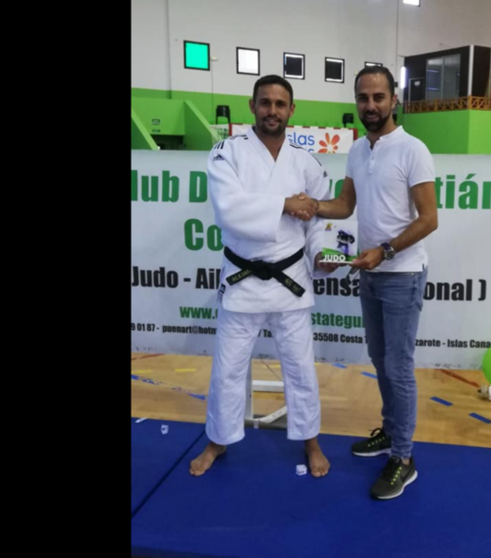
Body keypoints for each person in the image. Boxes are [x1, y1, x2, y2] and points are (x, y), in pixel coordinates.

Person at [297, 66, 438, 499]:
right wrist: (310, 206)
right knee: (380, 360)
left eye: (379, 97)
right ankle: (391, 435)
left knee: (398, 368)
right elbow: (344, 204)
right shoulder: (358, 149)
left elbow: (429, 219)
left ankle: (403, 457)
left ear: (394, 99)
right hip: (370, 273)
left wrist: (386, 251)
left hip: (401, 274)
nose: (371, 106)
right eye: (363, 97)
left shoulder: (413, 149)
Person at [189, 75, 335, 478]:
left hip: (291, 281)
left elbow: (319, 220)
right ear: (252, 106)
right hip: (243, 281)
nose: (273, 110)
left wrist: (321, 254)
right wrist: (286, 203)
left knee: (301, 368)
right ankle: (218, 440)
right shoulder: (227, 153)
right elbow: (229, 208)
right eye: (265, 102)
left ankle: (311, 441)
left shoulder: (307, 162)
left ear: (292, 110)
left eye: (280, 103)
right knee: (228, 368)